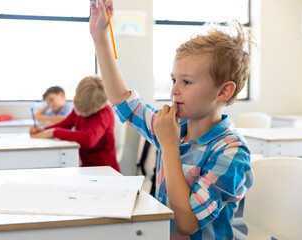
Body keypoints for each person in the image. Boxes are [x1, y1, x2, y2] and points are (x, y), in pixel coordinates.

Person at [89, 0, 254, 239]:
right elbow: (123, 101)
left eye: (186, 82)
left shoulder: (231, 152)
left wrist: (168, 145)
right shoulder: (174, 128)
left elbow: (186, 224)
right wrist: (99, 37)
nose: (175, 90)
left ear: (223, 91)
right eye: (174, 80)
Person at [30, 75, 120, 172]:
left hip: (104, 169)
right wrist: (43, 130)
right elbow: (66, 123)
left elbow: (90, 139)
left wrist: (54, 132)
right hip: (87, 167)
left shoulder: (104, 113)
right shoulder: (78, 108)